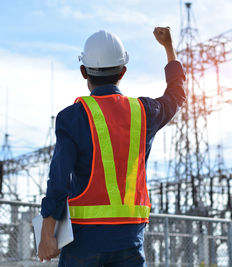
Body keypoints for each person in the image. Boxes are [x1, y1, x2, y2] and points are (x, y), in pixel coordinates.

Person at [39, 27, 186, 266]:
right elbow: (176, 95)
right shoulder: (144, 113)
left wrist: (48, 230)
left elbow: (59, 178)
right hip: (129, 241)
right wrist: (169, 48)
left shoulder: (72, 117)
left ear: (83, 71)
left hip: (83, 242)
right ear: (123, 71)